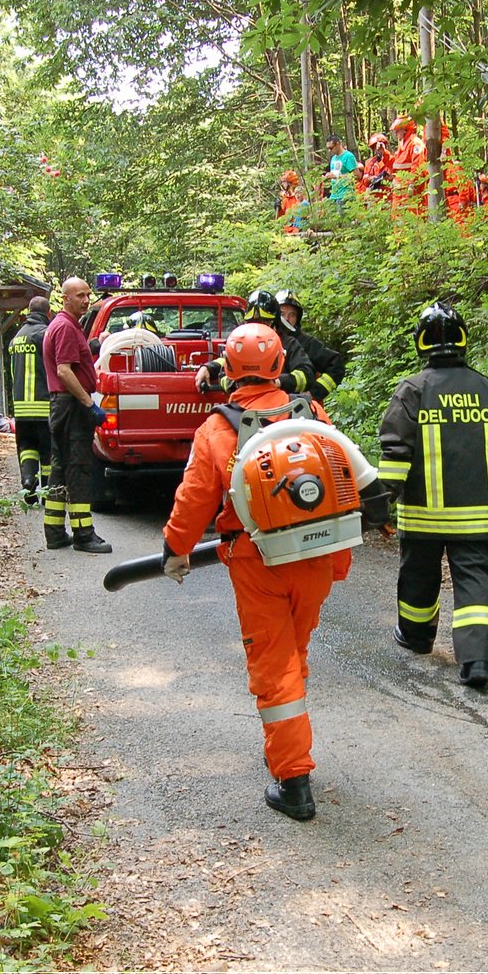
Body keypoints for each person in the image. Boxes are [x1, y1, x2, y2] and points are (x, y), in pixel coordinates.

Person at [160, 322, 344, 820]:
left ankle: (294, 780)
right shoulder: (312, 413)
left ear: (227, 370)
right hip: (317, 557)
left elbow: (195, 499)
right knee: (292, 652)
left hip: (258, 561)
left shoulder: (218, 429)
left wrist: (174, 548)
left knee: (274, 665)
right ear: (281, 366)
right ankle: (287, 744)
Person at [378, 303, 488, 689]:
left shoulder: (413, 391)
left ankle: (417, 638)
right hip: (477, 514)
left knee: (419, 577)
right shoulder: (486, 388)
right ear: (463, 339)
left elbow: (395, 454)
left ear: (421, 342)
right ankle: (477, 660)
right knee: (478, 582)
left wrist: (384, 503)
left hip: (424, 515)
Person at [41, 276, 112, 553]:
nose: (85, 300)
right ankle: (84, 534)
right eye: (79, 296)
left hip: (62, 405)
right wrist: (88, 404)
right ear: (65, 298)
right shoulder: (67, 328)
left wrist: (93, 344)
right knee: (79, 469)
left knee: (59, 469)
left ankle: (55, 532)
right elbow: (64, 370)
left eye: (87, 295)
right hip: (71, 406)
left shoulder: (62, 325)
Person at [194, 288, 316, 397]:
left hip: (279, 409)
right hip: (242, 408)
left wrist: (278, 382)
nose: (258, 327)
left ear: (274, 322)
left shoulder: (288, 343)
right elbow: (224, 373)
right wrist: (209, 368)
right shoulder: (239, 342)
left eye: (264, 322)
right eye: (253, 322)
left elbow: (306, 375)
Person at [6, 296, 53, 505]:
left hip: (21, 409)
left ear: (28, 313)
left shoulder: (16, 338)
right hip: (43, 406)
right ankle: (48, 492)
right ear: (48, 313)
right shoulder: (44, 335)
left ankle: (28, 484)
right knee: (48, 451)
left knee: (27, 448)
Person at [275, 289, 346, 402]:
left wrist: (314, 392)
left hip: (301, 410)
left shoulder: (307, 343)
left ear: (297, 318)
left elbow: (336, 366)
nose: (287, 319)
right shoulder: (267, 340)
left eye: (292, 315)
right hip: (271, 406)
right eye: (282, 314)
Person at [388, 114, 427, 214]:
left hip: (411, 192)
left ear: (405, 129)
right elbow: (395, 164)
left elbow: (417, 165)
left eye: (398, 130)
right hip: (399, 191)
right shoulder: (403, 146)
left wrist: (412, 184)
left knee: (412, 218)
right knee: (397, 220)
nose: (396, 133)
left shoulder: (415, 144)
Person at [326, 136, 358, 205]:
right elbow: (334, 175)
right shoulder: (333, 158)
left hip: (346, 195)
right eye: (328, 148)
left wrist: (337, 176)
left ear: (338, 144)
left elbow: (357, 175)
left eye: (331, 148)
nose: (330, 150)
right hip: (334, 195)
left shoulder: (348, 156)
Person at [359, 132, 392, 197]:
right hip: (374, 198)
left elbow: (391, 175)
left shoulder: (391, 160)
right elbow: (365, 180)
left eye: (380, 147)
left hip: (387, 195)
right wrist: (371, 179)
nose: (377, 149)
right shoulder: (370, 162)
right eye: (375, 147)